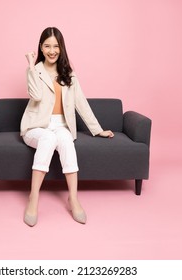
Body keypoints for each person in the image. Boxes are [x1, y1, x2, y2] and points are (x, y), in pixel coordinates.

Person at [20, 27, 114, 227]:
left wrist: (97, 129)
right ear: (41, 48)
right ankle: (33, 198)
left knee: (65, 139)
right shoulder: (34, 70)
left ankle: (73, 198)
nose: (52, 50)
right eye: (47, 46)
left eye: (56, 46)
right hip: (36, 127)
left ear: (61, 48)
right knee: (48, 138)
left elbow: (81, 102)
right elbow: (36, 96)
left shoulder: (68, 73)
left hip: (60, 125)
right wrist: (30, 64)